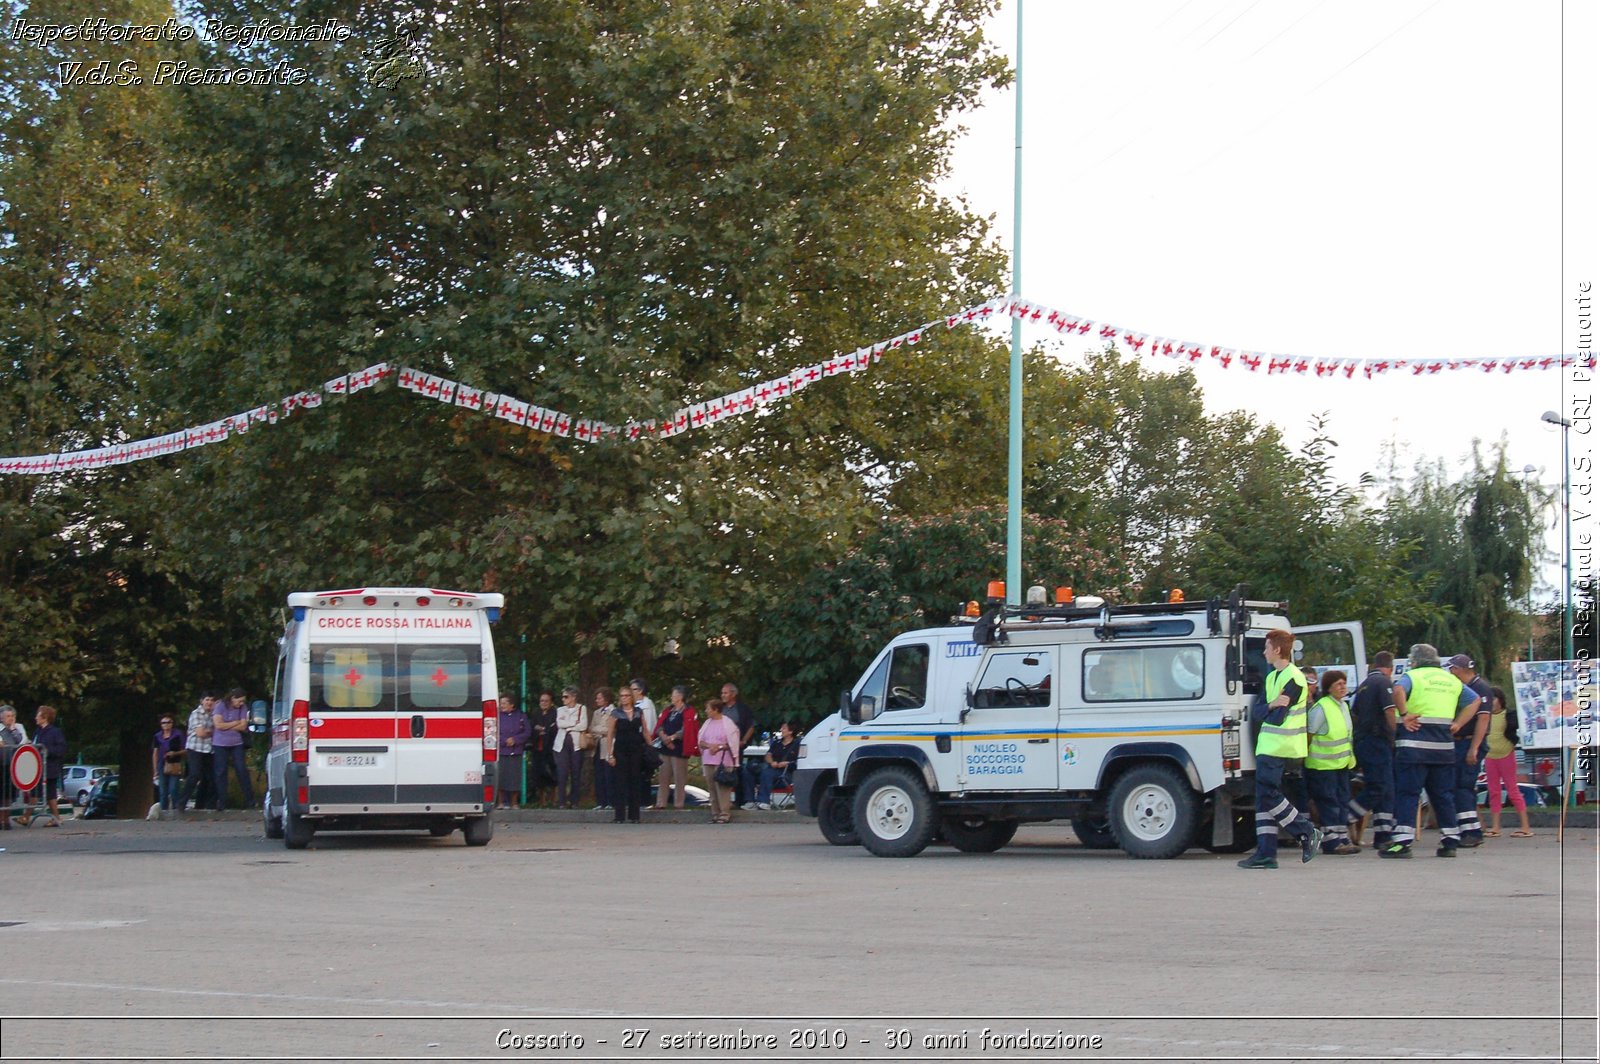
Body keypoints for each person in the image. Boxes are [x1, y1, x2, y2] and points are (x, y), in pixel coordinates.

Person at [1382, 643, 1478, 859]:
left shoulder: (1413, 676)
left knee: (1408, 794)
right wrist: (1458, 724)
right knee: (1443, 795)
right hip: (1443, 748)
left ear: (1415, 660)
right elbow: (1475, 701)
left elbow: (1397, 690)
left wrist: (1405, 714)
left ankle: (1401, 843)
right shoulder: (1450, 680)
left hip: (1414, 747)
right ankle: (1450, 841)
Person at [1237, 629, 1323, 869]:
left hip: (1282, 746)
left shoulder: (1294, 678)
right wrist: (1271, 705)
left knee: (1268, 794)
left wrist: (1270, 707)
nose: (1263, 652)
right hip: (1269, 746)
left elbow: (1276, 717)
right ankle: (1266, 853)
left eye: (1266, 647)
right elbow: (1259, 711)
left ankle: (1306, 831)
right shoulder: (1273, 677)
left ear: (1277, 649)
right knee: (1263, 797)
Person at [1350, 651, 1401, 849]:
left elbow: (1354, 714)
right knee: (1379, 786)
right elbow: (1389, 710)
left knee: (1385, 788)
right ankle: (1348, 815)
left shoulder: (1363, 685)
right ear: (1389, 668)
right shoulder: (1383, 683)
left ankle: (1383, 833)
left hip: (1364, 740)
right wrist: (1394, 735)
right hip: (1377, 741)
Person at [1305, 671, 1359, 854]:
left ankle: (1342, 836)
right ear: (1329, 688)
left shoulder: (1342, 705)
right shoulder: (1322, 707)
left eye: (1344, 683)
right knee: (1328, 802)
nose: (1343, 687)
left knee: (1342, 800)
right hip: (1322, 765)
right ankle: (1331, 841)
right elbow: (1309, 734)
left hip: (1341, 764)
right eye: (1338, 684)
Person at [1444, 654, 1492, 847]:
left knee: (1463, 786)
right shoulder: (1463, 688)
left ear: (1460, 669)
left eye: (1452, 669)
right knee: (1457, 786)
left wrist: (1474, 748)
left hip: (1469, 742)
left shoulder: (1480, 688)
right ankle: (1465, 828)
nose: (1450, 672)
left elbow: (1483, 719)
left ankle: (1472, 831)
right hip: (1458, 742)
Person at [1482, 686, 1532, 838]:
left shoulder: (1508, 715)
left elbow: (1515, 727)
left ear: (1500, 700)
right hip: (1490, 756)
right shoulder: (1485, 715)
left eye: (1494, 699)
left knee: (1512, 790)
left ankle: (1525, 826)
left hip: (1506, 755)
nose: (1492, 702)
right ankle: (1496, 826)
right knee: (1494, 791)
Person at [605, 687, 648, 824]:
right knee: (620, 781)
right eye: (622, 696)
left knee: (635, 780)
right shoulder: (615, 713)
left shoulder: (638, 712)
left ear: (631, 697)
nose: (624, 698)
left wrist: (651, 746)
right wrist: (609, 754)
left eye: (627, 695)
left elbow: (645, 730)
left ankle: (634, 816)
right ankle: (619, 815)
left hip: (636, 749)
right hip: (620, 749)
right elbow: (610, 734)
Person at [651, 686, 696, 810]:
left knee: (679, 777)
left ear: (680, 697)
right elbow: (660, 725)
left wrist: (673, 738)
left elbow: (687, 729)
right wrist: (664, 737)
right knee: (663, 776)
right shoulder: (668, 711)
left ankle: (679, 804)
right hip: (665, 748)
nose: (672, 697)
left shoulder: (688, 711)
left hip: (679, 749)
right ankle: (661, 803)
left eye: (674, 695)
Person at [211, 687, 255, 811]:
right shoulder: (220, 706)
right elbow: (218, 725)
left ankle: (250, 801)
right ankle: (222, 801)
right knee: (221, 772)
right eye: (239, 701)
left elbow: (243, 726)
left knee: (241, 770)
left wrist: (227, 725)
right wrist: (235, 722)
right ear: (232, 698)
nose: (241, 704)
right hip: (220, 743)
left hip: (236, 743)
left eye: (243, 701)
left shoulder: (243, 708)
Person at [697, 698, 741, 824]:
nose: (706, 711)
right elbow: (700, 741)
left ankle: (725, 813)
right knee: (711, 788)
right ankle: (715, 813)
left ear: (716, 710)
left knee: (722, 788)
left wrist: (719, 747)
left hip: (723, 760)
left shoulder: (728, 724)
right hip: (708, 759)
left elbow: (733, 743)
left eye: (708, 709)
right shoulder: (707, 723)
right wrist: (709, 746)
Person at [24, 705, 68, 827]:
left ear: (45, 717)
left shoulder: (54, 732)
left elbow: (61, 748)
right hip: (38, 767)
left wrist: (48, 751)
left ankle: (27, 817)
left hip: (50, 767)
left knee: (44, 793)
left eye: (38, 715)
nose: (35, 718)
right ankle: (55, 818)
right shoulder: (38, 732)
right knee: (47, 793)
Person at [552, 687, 588, 809]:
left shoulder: (581, 708)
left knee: (576, 772)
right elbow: (559, 724)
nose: (563, 699)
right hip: (561, 744)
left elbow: (583, 725)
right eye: (562, 697)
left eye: (566, 697)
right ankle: (561, 801)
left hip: (576, 744)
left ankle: (574, 801)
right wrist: (573, 724)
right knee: (562, 772)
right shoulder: (560, 710)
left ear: (573, 697)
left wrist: (569, 726)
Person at [180, 692, 217, 812]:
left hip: (209, 749)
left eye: (211, 700)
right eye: (207, 700)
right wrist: (213, 731)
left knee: (210, 778)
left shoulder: (214, 714)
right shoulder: (196, 714)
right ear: (202, 701)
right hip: (195, 748)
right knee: (194, 775)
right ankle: (181, 803)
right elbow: (201, 733)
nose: (209, 702)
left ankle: (202, 805)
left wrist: (209, 731)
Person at [720, 682, 755, 808]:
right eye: (722, 693)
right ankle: (723, 800)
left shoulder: (742, 709)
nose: (723, 695)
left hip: (735, 746)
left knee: (737, 772)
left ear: (733, 694)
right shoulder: (720, 708)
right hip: (721, 747)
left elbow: (751, 726)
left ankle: (739, 801)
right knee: (720, 772)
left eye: (726, 693)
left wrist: (744, 741)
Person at [496, 694, 533, 809]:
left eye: (504, 703)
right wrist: (504, 740)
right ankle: (500, 802)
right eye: (501, 703)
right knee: (501, 777)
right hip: (502, 751)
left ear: (511, 705)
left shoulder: (520, 716)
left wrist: (516, 740)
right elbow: (493, 730)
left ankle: (514, 803)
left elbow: (527, 731)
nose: (502, 706)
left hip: (516, 751)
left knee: (514, 778)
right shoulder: (497, 717)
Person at [753, 721, 800, 809]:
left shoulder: (797, 744)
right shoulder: (776, 743)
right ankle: (750, 800)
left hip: (786, 775)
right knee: (749, 770)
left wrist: (787, 763)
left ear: (791, 731)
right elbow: (768, 754)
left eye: (784, 728)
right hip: (773, 770)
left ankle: (764, 801)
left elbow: (799, 762)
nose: (781, 730)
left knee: (767, 773)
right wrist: (771, 762)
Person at [588, 687, 618, 811]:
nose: (597, 700)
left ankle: (611, 801)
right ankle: (601, 802)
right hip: (598, 744)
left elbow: (611, 729)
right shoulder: (596, 713)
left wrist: (601, 730)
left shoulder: (614, 711)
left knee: (609, 774)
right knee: (599, 774)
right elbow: (591, 728)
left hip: (609, 745)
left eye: (599, 698)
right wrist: (601, 730)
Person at [151, 714, 187, 814]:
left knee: (173, 788)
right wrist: (155, 770)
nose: (166, 725)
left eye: (168, 722)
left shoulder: (178, 734)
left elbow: (185, 749)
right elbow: (155, 753)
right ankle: (163, 811)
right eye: (163, 723)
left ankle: (176, 810)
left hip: (174, 763)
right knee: (162, 791)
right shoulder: (157, 736)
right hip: (162, 763)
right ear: (160, 724)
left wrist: (175, 753)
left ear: (172, 723)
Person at [0, 705, 27, 830]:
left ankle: (6, 819)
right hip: (1, 764)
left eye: (11, 716)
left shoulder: (14, 729)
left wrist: (13, 729)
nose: (10, 719)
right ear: (1, 718)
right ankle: (1, 820)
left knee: (9, 795)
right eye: (7, 716)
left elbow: (19, 741)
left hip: (11, 765)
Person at [531, 690, 559, 803]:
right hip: (538, 747)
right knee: (538, 773)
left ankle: (554, 798)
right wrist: (540, 730)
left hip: (551, 747)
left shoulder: (555, 713)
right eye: (542, 701)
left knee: (552, 772)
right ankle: (541, 799)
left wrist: (543, 729)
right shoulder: (536, 713)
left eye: (546, 701)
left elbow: (553, 727)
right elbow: (532, 726)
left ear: (551, 702)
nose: (544, 703)